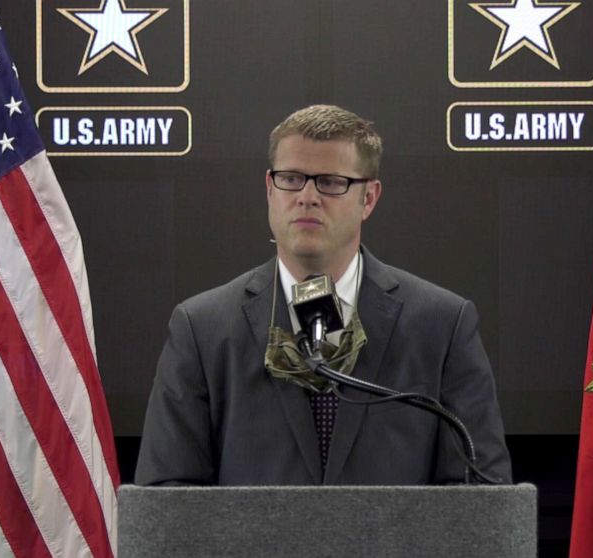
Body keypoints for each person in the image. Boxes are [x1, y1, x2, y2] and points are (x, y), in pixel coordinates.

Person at [135, 105, 512, 485]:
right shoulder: (203, 329)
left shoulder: (442, 326)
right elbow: (168, 498)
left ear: (369, 198)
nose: (307, 196)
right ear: (270, 189)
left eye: (330, 181)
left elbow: (479, 494)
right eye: (292, 178)